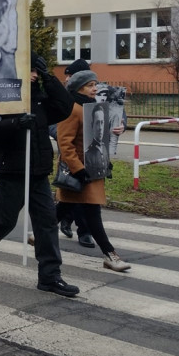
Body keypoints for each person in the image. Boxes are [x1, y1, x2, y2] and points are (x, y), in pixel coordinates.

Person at [0, 54, 81, 297]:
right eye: (31, 71)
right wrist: (15, 124)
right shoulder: (2, 98)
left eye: (37, 71)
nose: (34, 75)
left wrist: (49, 77)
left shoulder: (40, 99)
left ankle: (50, 276)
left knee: (46, 223)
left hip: (38, 172)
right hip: (13, 170)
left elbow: (65, 106)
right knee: (3, 221)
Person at [57, 70, 130, 272]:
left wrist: (105, 161)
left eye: (95, 85)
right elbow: (65, 144)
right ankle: (110, 255)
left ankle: (39, 234)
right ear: (79, 87)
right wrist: (78, 169)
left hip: (93, 168)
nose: (95, 88)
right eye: (90, 85)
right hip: (81, 171)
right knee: (93, 213)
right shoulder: (71, 109)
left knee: (63, 208)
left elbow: (98, 139)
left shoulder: (92, 108)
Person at [55, 58, 96, 246]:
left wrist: (120, 126)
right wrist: (62, 134)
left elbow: (117, 115)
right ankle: (102, 246)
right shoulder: (67, 100)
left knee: (74, 200)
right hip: (73, 160)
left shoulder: (96, 96)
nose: (67, 80)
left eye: (70, 76)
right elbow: (56, 126)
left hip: (93, 159)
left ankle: (55, 225)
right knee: (78, 197)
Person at [84, 104, 109, 179]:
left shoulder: (105, 149)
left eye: (102, 122)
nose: (100, 128)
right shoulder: (88, 154)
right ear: (92, 125)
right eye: (97, 123)